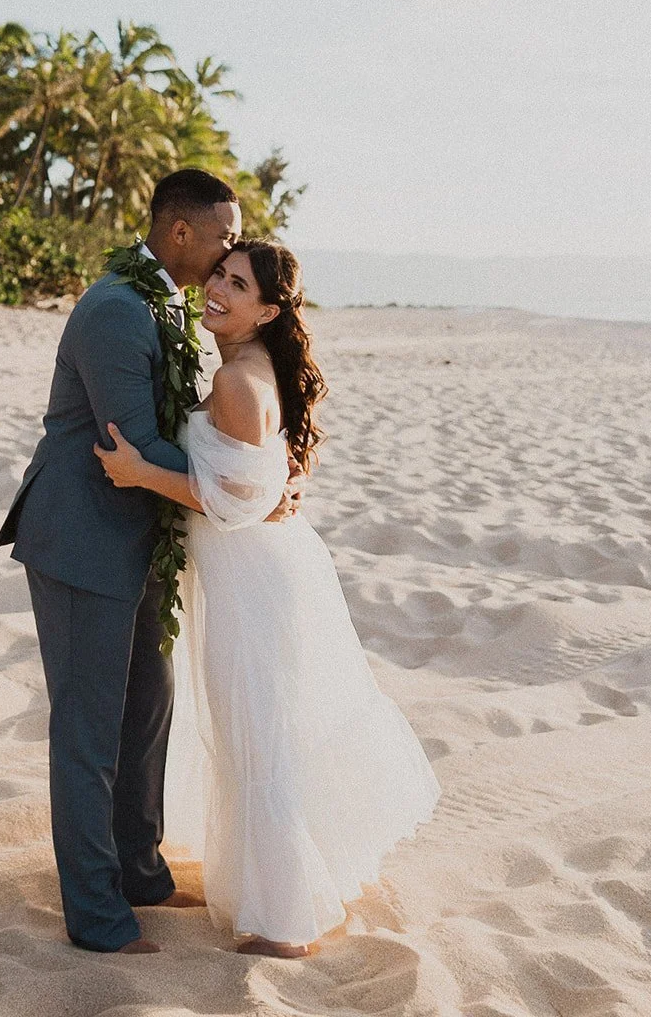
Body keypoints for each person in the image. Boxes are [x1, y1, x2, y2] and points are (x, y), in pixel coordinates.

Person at [95, 239, 441, 957]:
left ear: (268, 311)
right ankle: (280, 899)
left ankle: (285, 925)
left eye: (238, 285)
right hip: (255, 571)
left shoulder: (237, 380)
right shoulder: (246, 367)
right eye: (220, 274)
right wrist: (286, 484)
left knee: (258, 742)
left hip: (252, 581)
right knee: (259, 735)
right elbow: (265, 475)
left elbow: (233, 501)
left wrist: (139, 473)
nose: (218, 289)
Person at [0, 170, 298, 954]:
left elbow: (197, 426)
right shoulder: (115, 311)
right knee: (89, 729)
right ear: (180, 232)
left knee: (147, 710)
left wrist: (258, 478)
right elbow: (131, 444)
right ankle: (97, 916)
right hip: (84, 539)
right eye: (224, 237)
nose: (231, 250)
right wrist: (247, 495)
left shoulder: (167, 304)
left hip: (146, 537)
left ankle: (141, 871)